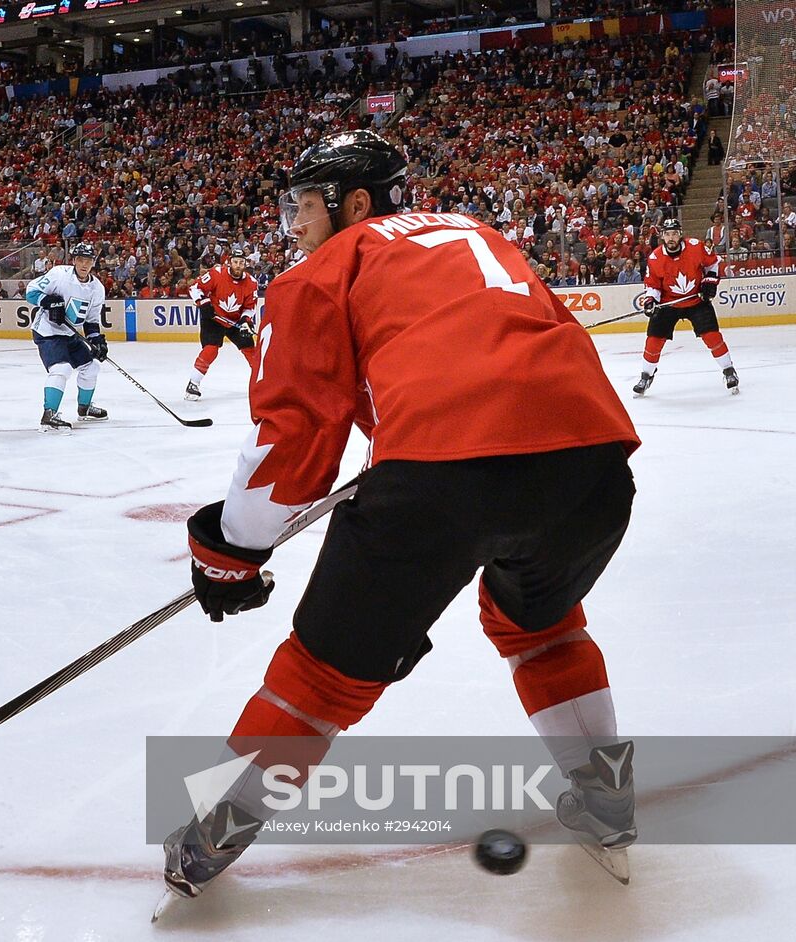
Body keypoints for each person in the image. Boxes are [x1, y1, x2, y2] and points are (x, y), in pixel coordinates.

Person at [162, 130, 642, 899]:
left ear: (355, 202)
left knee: (322, 675)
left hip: (441, 477)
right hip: (590, 463)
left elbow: (296, 437)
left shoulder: (325, 267)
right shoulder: (480, 232)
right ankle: (608, 805)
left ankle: (207, 842)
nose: (295, 223)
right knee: (541, 623)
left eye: (306, 205)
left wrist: (233, 552)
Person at [634, 216, 737, 396]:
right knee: (653, 340)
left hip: (696, 300)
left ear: (680, 234)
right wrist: (651, 300)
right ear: (662, 237)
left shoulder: (696, 247)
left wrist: (710, 282)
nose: (671, 237)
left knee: (712, 336)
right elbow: (652, 285)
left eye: (674, 233)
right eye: (667, 234)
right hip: (668, 304)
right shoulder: (655, 257)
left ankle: (729, 370)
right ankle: (646, 375)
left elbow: (713, 263)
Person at [24, 241, 109, 432]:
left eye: (88, 260)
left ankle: (84, 408)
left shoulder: (97, 288)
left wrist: (97, 341)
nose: (84, 264)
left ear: (93, 262)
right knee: (61, 369)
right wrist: (48, 301)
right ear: (74, 261)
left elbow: (91, 320)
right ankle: (49, 416)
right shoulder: (59, 275)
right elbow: (30, 291)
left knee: (92, 366)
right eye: (80, 259)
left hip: (70, 334)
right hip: (48, 332)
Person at [183, 245, 259, 400]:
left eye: (241, 262)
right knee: (211, 350)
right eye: (235, 262)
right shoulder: (216, 274)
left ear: (245, 264)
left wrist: (246, 321)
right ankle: (193, 384)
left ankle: (263, 383)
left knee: (251, 351)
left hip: (235, 320)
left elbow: (249, 307)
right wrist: (203, 303)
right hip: (213, 318)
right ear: (229, 262)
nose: (238, 265)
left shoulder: (251, 283)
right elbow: (194, 288)